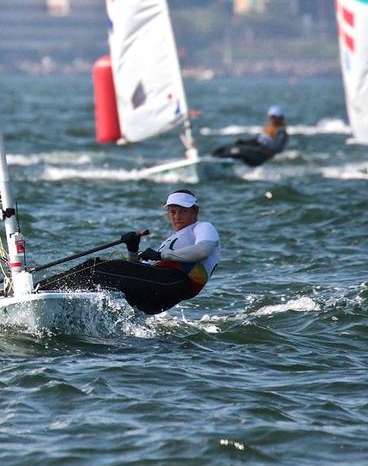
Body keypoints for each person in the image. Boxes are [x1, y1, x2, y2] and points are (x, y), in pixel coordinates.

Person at [36, 189, 221, 314]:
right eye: (172, 212)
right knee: (96, 273)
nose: (177, 216)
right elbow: (137, 277)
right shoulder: (172, 240)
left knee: (97, 269)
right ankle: (47, 295)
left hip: (176, 284)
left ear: (195, 211)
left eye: (183, 211)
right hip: (156, 294)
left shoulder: (203, 227)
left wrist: (160, 255)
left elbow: (202, 251)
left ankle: (38, 291)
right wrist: (133, 250)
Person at [212, 106, 288, 167]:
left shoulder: (281, 132)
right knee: (230, 147)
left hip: (260, 156)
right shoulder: (269, 128)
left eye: (274, 117)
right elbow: (258, 140)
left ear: (280, 118)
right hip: (256, 149)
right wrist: (245, 142)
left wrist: (263, 149)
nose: (271, 119)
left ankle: (226, 163)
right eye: (270, 117)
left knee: (239, 150)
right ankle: (215, 158)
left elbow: (276, 150)